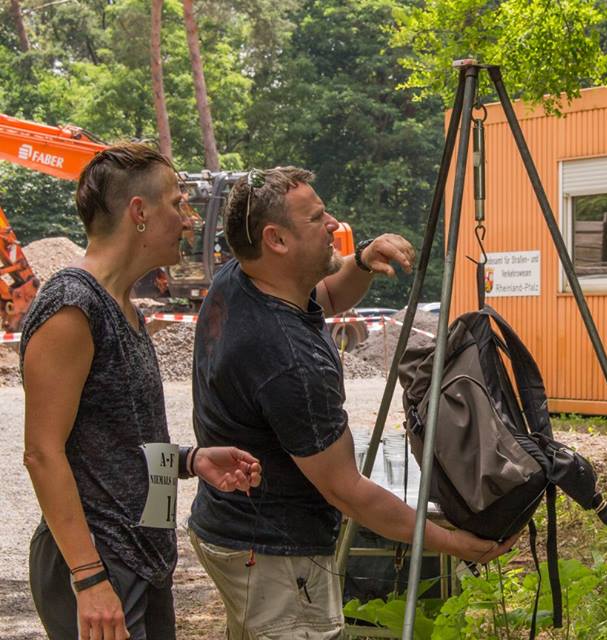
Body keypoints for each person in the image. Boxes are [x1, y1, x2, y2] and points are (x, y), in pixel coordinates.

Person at [189, 167, 517, 638]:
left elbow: (326, 294)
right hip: (276, 557)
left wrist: (361, 262)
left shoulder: (242, 278)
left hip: (233, 528)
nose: (333, 224)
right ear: (276, 239)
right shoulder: (289, 360)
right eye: (318, 217)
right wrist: (457, 543)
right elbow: (348, 491)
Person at [21, 144, 263, 640]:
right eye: (178, 203)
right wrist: (88, 578)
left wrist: (191, 460)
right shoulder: (73, 306)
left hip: (140, 559)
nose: (189, 219)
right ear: (139, 213)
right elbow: (42, 453)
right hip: (100, 562)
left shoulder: (124, 306)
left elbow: (115, 445)